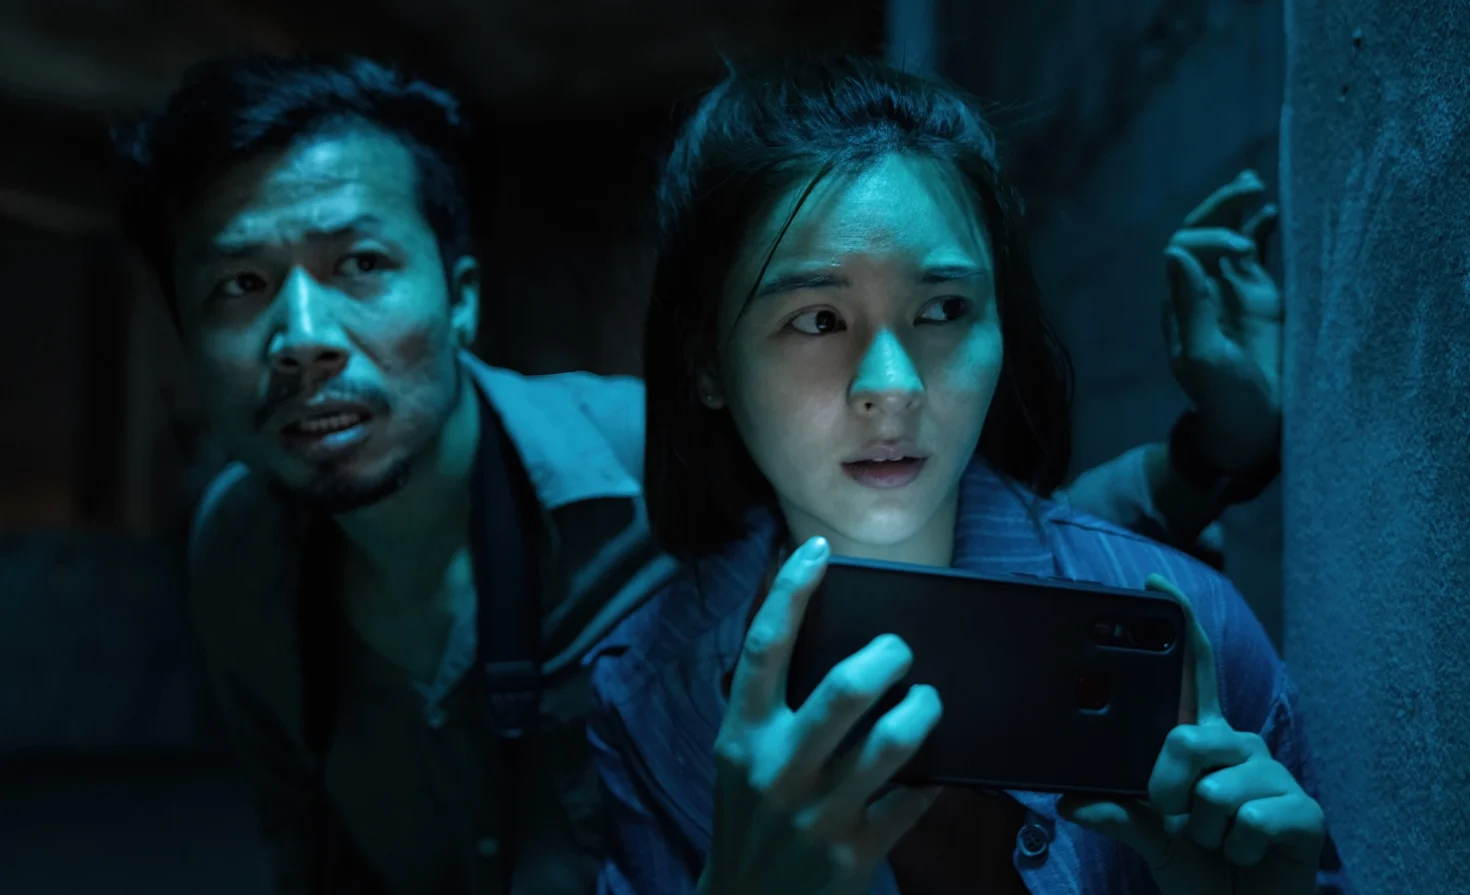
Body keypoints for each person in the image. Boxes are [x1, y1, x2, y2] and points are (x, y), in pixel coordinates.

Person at [113, 53, 1284, 895]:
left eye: (361, 262)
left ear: (461, 295)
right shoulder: (240, 556)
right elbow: (302, 834)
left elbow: (947, 535)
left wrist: (1209, 459)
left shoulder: (645, 462)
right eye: (238, 286)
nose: (303, 336)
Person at [585, 55, 1346, 895]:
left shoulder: (1192, 645)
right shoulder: (647, 695)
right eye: (818, 319)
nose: (893, 386)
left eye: (944, 309)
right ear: (708, 362)